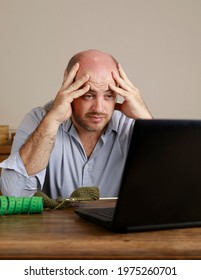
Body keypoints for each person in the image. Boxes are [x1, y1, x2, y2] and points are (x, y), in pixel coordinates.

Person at [0, 49, 152, 198]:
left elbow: (170, 189)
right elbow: (14, 194)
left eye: (108, 96)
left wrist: (145, 118)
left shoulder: (132, 126)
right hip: (56, 224)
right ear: (68, 87)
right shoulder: (40, 120)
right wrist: (53, 120)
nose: (99, 108)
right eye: (88, 95)